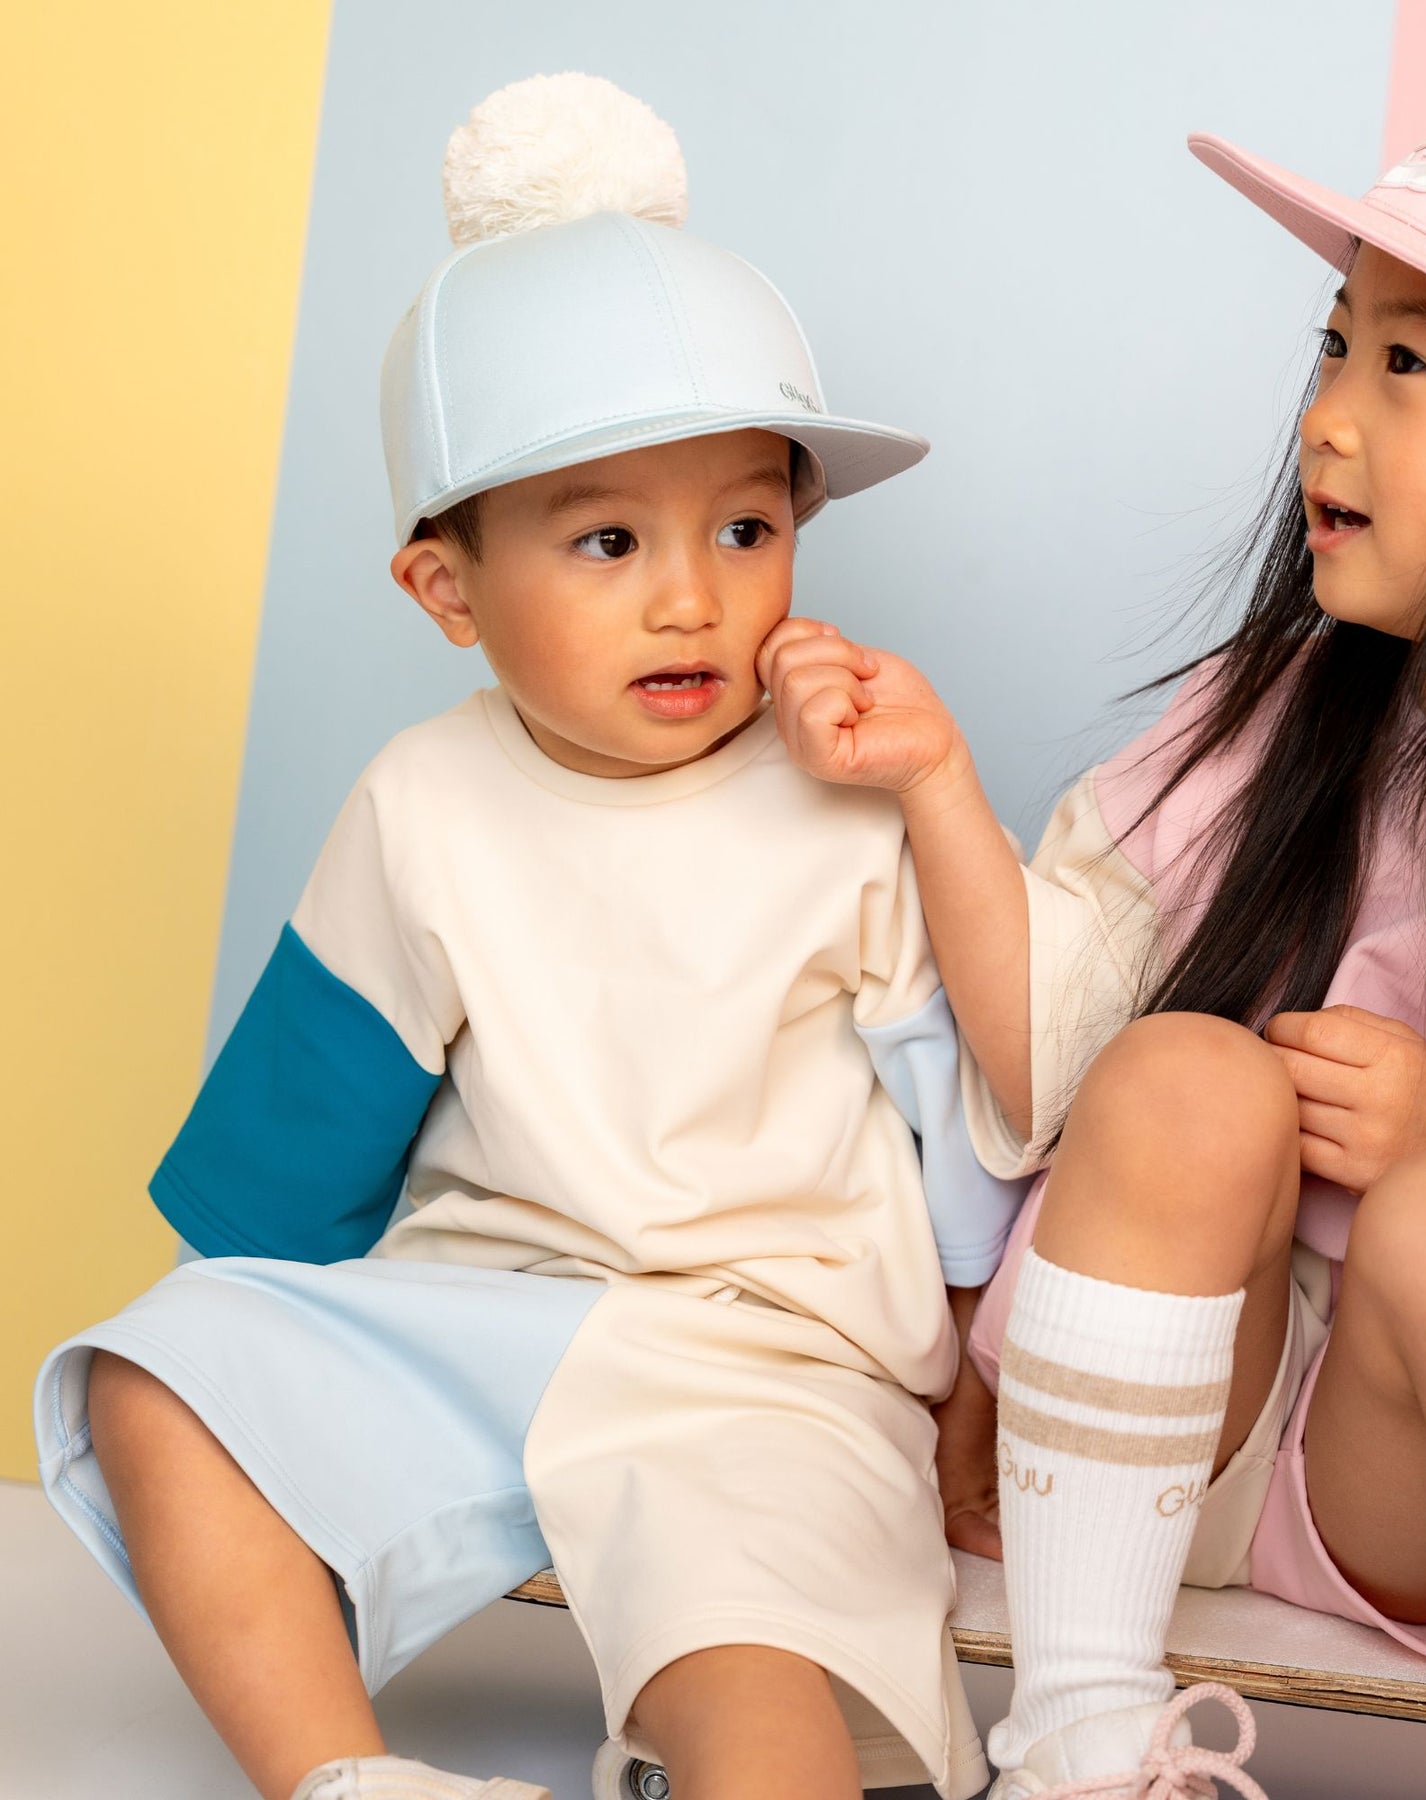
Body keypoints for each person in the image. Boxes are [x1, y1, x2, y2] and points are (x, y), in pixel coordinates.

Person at [762, 69, 1426, 1800]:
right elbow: (1047, 1063)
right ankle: (1082, 1738)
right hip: (1156, 1437)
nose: (1325, 418)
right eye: (1335, 346)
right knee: (1181, 1073)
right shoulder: (1277, 723)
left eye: (1405, 364)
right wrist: (934, 783)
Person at [33, 74, 1021, 1800]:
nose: (692, 596)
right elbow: (284, 1183)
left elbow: (970, 1143)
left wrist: (972, 1391)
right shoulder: (422, 805)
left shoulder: (857, 802)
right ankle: (349, 1782)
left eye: (746, 527)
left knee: (751, 1689)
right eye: (608, 540)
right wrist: (281, 1380)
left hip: (769, 1368)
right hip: (487, 1319)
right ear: (450, 591)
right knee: (154, 1380)